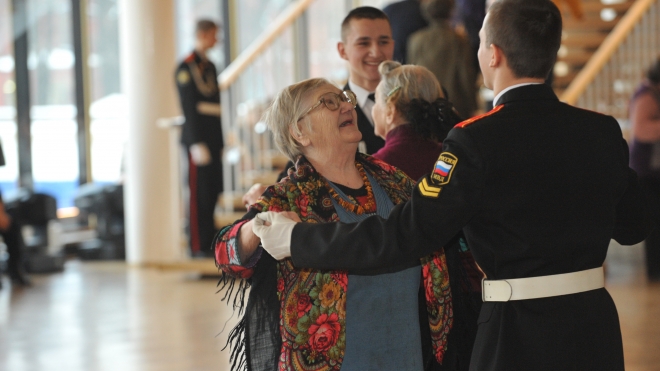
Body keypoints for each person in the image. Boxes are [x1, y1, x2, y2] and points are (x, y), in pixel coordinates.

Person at [253, 1, 651, 370]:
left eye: (479, 42)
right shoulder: (600, 131)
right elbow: (634, 227)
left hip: (516, 334)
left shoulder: (474, 140)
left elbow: (406, 234)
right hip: (593, 328)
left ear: (492, 55)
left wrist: (298, 240)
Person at [215, 78, 457, 371]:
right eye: (328, 102)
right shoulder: (289, 197)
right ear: (299, 131)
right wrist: (255, 227)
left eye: (345, 99)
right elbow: (224, 253)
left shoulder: (394, 181)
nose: (346, 105)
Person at [371, 60, 482, 370]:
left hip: (404, 309)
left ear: (390, 107)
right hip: (470, 300)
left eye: (376, 101)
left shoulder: (374, 169)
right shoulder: (455, 156)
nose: (374, 110)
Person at [243, 7, 395, 206]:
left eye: (383, 42)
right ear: (342, 50)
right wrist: (268, 194)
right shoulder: (334, 113)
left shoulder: (418, 100)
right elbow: (304, 162)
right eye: (363, 43)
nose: (376, 51)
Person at [175, 19, 223, 258]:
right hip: (199, 139)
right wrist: (195, 142)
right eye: (214, 34)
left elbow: (215, 106)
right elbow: (189, 108)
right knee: (199, 194)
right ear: (203, 35)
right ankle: (197, 244)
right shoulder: (186, 68)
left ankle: (209, 240)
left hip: (213, 136)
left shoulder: (210, 66)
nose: (217, 39)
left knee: (213, 190)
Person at [408, 0, 478, 118]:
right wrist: (473, 106)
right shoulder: (459, 40)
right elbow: (466, 75)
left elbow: (412, 77)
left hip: (425, 107)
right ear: (450, 11)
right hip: (455, 107)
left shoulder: (415, 39)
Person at [629, 57, 660, 281]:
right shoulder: (647, 94)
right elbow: (641, 130)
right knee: (654, 225)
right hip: (646, 172)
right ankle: (655, 273)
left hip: (653, 170)